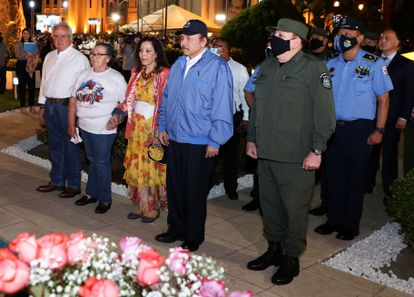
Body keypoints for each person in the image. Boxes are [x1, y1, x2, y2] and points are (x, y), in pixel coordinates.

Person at [246, 18, 335, 285]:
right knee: (270, 206)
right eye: (274, 34)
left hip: (296, 156)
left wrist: (317, 150)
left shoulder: (313, 69)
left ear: (297, 40)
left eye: (281, 34)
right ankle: (274, 249)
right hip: (266, 152)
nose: (275, 39)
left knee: (294, 210)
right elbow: (257, 109)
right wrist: (251, 139)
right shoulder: (267, 67)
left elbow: (325, 116)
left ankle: (291, 258)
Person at [155, 20, 233, 252]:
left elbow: (222, 105)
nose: (184, 42)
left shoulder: (217, 67)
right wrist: (163, 126)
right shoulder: (179, 64)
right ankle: (176, 228)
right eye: (182, 38)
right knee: (176, 187)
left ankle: (193, 235)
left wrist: (215, 140)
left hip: (200, 141)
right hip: (176, 138)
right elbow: (167, 98)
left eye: (189, 38)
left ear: (203, 41)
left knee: (195, 191)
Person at [315, 17, 392, 241]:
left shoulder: (374, 64)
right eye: (341, 33)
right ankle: (333, 219)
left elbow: (384, 100)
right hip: (332, 129)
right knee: (332, 177)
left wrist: (379, 130)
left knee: (354, 178)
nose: (344, 36)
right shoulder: (330, 64)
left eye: (349, 33)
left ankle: (350, 224)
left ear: (360, 37)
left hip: (359, 129)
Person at [107, 36, 170, 223]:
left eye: (148, 51)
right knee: (138, 167)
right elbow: (128, 100)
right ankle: (143, 206)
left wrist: (160, 131)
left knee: (151, 167)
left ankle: (152, 207)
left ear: (157, 53)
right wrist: (117, 115)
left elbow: (168, 104)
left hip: (153, 128)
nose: (143, 54)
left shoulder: (165, 73)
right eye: (141, 50)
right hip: (136, 128)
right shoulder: (136, 72)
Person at [67, 43, 127, 214]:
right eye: (92, 54)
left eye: (99, 54)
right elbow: (73, 100)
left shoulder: (115, 78)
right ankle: (91, 193)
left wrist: (118, 117)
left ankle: (105, 198)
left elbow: (126, 103)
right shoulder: (83, 74)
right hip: (85, 126)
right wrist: (71, 124)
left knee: (101, 162)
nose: (94, 57)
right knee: (92, 160)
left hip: (104, 128)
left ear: (108, 58)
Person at [36, 22, 90, 198]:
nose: (59, 39)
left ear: (71, 38)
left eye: (63, 36)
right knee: (55, 146)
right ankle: (57, 181)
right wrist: (42, 105)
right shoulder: (49, 56)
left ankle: (73, 184)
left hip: (67, 107)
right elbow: (44, 81)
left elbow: (83, 89)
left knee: (70, 146)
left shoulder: (79, 59)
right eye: (56, 36)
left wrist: (77, 115)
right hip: (50, 106)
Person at [210, 37, 249, 200]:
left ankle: (230, 188)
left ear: (224, 49)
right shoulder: (209, 66)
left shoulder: (238, 69)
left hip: (231, 117)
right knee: (210, 155)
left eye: (216, 47)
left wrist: (246, 117)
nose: (212, 49)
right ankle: (205, 186)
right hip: (210, 117)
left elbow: (244, 94)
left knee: (229, 155)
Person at [378, 29, 414, 198]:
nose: (382, 40)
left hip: (393, 116)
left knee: (389, 153)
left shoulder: (406, 65)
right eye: (381, 38)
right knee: (370, 153)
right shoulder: (373, 61)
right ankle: (366, 183)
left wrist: (403, 116)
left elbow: (409, 93)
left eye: (387, 38)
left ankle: (389, 189)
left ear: (397, 43)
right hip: (371, 114)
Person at [241, 66, 261, 212]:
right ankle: (258, 198)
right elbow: (248, 91)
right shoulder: (263, 67)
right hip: (262, 122)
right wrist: (257, 109)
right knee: (259, 164)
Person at [14, 28, 38, 113]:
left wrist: (33, 55)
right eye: (24, 33)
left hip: (31, 66)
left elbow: (37, 54)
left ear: (29, 34)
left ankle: (32, 106)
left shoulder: (33, 44)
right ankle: (22, 106)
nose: (26, 35)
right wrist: (27, 53)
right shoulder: (18, 43)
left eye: (27, 33)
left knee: (31, 87)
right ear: (22, 34)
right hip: (21, 66)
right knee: (22, 87)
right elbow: (18, 55)